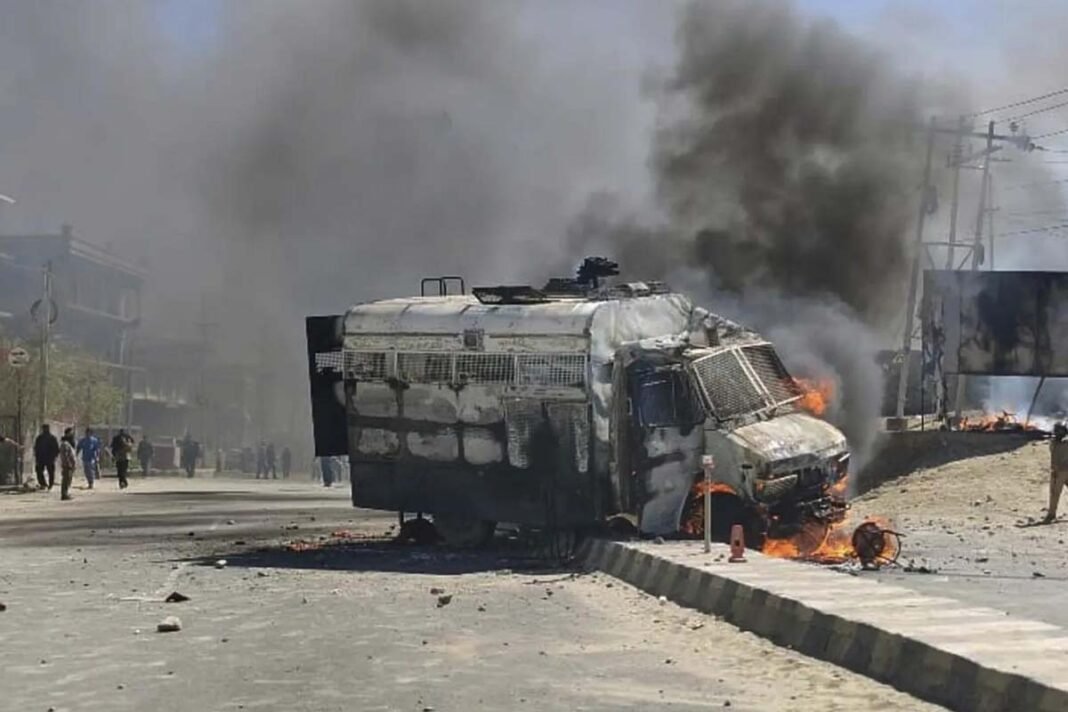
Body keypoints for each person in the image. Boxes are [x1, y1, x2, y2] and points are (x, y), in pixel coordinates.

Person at [1044, 422, 1068, 523]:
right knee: (1054, 493)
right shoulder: (1054, 443)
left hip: (1062, 471)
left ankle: (1051, 514)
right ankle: (1051, 514)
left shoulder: (1061, 443)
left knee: (1055, 493)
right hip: (1059, 471)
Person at [33, 424, 60, 490]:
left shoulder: (52, 438)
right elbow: (36, 448)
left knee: (50, 472)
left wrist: (55, 456)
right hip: (41, 458)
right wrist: (36, 456)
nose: (45, 430)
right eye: (44, 428)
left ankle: (50, 484)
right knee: (39, 471)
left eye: (46, 428)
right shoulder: (39, 438)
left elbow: (56, 448)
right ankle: (43, 484)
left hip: (49, 458)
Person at [59, 427, 77, 501]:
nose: (72, 435)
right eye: (71, 433)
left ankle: (66, 493)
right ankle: (64, 494)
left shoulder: (69, 444)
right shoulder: (65, 444)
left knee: (68, 479)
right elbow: (65, 455)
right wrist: (68, 463)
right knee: (66, 480)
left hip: (70, 465)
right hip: (67, 465)